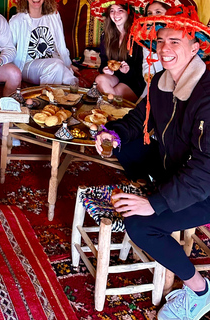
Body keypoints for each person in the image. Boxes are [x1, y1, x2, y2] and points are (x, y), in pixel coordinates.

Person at [95, 5, 210, 319]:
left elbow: (205, 170)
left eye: (175, 41)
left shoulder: (207, 95)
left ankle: (200, 290)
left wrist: (156, 203)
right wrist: (113, 135)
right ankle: (148, 190)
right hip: (175, 168)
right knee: (125, 147)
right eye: (161, 41)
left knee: (140, 224)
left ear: (195, 47)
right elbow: (137, 119)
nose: (165, 48)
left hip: (205, 188)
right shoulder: (162, 81)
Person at [9, 0, 79, 85]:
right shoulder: (16, 21)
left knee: (71, 81)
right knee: (57, 66)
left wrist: (68, 64)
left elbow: (61, 45)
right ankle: (45, 96)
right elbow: (9, 50)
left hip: (54, 63)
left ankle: (49, 95)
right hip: (28, 65)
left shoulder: (54, 16)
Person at [90, 0, 145, 102]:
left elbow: (142, 69)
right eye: (112, 11)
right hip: (115, 77)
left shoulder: (138, 36)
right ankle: (113, 110)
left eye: (120, 10)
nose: (115, 14)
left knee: (114, 94)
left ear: (129, 13)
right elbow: (103, 61)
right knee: (100, 80)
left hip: (133, 80)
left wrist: (128, 70)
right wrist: (105, 69)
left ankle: (111, 112)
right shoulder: (107, 36)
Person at [141, 0, 175, 84]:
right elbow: (147, 63)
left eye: (158, 12)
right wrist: (151, 84)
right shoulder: (147, 38)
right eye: (149, 13)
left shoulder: (180, 35)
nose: (153, 17)